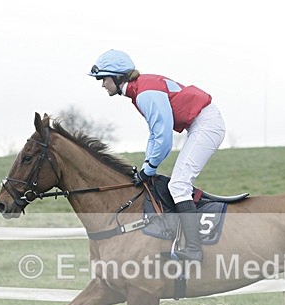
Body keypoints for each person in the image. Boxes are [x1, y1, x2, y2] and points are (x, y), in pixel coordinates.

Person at [88, 49, 225, 262]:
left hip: (206, 124)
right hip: (201, 123)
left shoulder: (145, 93)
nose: (102, 84)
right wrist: (146, 165)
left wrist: (150, 168)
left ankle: (193, 249)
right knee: (177, 183)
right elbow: (155, 134)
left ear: (116, 77)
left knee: (179, 185)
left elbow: (163, 138)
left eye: (103, 78)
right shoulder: (139, 90)